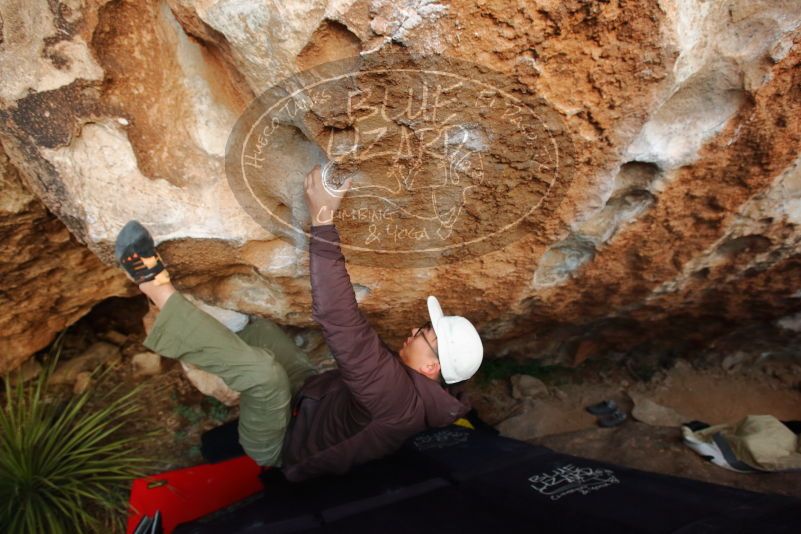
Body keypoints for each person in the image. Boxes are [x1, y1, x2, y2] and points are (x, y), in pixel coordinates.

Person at [113, 164, 484, 482]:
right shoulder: (421, 390)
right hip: (310, 399)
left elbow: (339, 318)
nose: (413, 331)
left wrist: (323, 218)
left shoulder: (395, 398)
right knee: (259, 330)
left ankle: (155, 287)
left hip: (282, 446)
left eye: (424, 333)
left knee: (264, 374)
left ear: (432, 365)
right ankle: (205, 315)